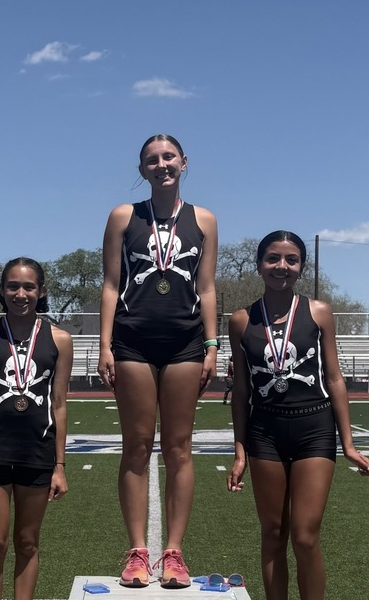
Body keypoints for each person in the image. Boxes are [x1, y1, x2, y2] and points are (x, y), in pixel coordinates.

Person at [98, 134, 219, 588]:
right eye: (152, 159)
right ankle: (135, 551)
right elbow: (112, 283)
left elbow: (206, 288)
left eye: (169, 157)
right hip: (133, 340)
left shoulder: (203, 219)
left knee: (179, 447)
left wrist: (211, 345)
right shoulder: (123, 216)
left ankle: (174, 552)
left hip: (186, 342)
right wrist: (106, 344)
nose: (162, 164)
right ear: (142, 169)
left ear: (184, 162)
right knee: (135, 445)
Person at [227, 231, 369, 600]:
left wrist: (349, 443)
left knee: (305, 536)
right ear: (259, 264)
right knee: (273, 534)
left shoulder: (319, 312)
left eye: (291, 260)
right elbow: (241, 390)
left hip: (314, 428)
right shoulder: (241, 320)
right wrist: (240, 451)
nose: (282, 266)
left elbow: (335, 378)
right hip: (265, 432)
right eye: (273, 258)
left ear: (301, 267)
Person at [0, 257, 73, 600]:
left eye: (28, 287)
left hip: (37, 452)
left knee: (27, 542)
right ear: (2, 290)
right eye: (13, 286)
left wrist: (60, 466)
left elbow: (59, 404)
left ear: (41, 291)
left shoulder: (60, 339)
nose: (20, 293)